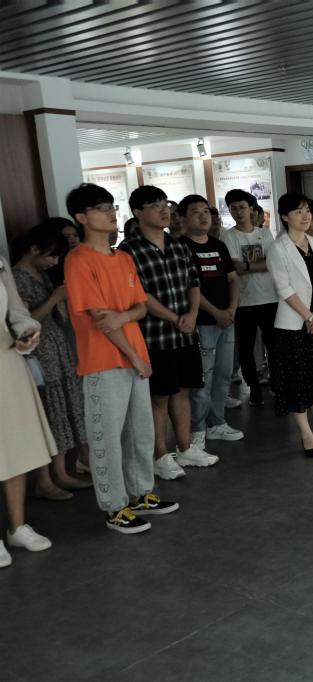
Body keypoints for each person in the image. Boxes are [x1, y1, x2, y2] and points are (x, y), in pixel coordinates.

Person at [63, 183, 178, 534]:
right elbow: (101, 319)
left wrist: (126, 318)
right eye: (101, 208)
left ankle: (141, 492)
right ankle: (115, 506)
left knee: (140, 432)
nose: (111, 213)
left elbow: (140, 306)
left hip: (134, 356)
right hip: (104, 361)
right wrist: (132, 353)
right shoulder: (79, 260)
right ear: (82, 217)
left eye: (112, 206)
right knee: (107, 437)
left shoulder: (123, 258)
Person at [120, 185, 218, 482]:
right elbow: (140, 295)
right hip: (154, 336)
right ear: (138, 212)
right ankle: (161, 455)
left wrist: (192, 314)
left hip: (185, 333)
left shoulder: (178, 246)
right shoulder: (128, 251)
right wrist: (176, 318)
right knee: (159, 397)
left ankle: (185, 447)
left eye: (166, 205)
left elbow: (193, 283)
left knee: (184, 390)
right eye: (155, 206)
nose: (164, 211)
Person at [12, 224, 92, 499]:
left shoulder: (41, 274)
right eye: (51, 255)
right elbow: (25, 321)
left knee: (62, 412)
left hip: (56, 348)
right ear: (34, 249)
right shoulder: (16, 278)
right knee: (47, 414)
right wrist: (55, 297)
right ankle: (44, 481)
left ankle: (62, 473)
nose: (55, 262)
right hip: (38, 353)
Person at [266, 192, 313, 456]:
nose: (305, 215)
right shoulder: (278, 248)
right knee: (298, 382)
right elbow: (284, 289)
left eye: (308, 210)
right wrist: (310, 317)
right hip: (293, 325)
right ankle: (306, 434)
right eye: (298, 211)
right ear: (284, 216)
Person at [0, 254, 55, 564]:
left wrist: (25, 334)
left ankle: (17, 526)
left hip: (5, 357)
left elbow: (18, 312)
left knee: (16, 445)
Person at [179, 195, 244, 445]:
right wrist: (217, 312)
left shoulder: (218, 245)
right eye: (196, 212)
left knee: (223, 375)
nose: (203, 216)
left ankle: (217, 422)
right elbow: (190, 287)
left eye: (206, 211)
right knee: (202, 379)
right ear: (183, 218)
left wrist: (231, 309)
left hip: (227, 320)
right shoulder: (181, 247)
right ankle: (197, 430)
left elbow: (233, 279)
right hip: (202, 322)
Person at [222, 189, 278, 407]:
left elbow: (273, 263)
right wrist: (258, 264)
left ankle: (277, 385)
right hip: (243, 302)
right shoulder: (228, 236)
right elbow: (235, 268)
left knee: (274, 347)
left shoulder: (265, 234)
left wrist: (247, 266)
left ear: (251, 209)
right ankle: (254, 389)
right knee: (246, 350)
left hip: (270, 299)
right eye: (234, 208)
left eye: (242, 207)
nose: (239, 212)